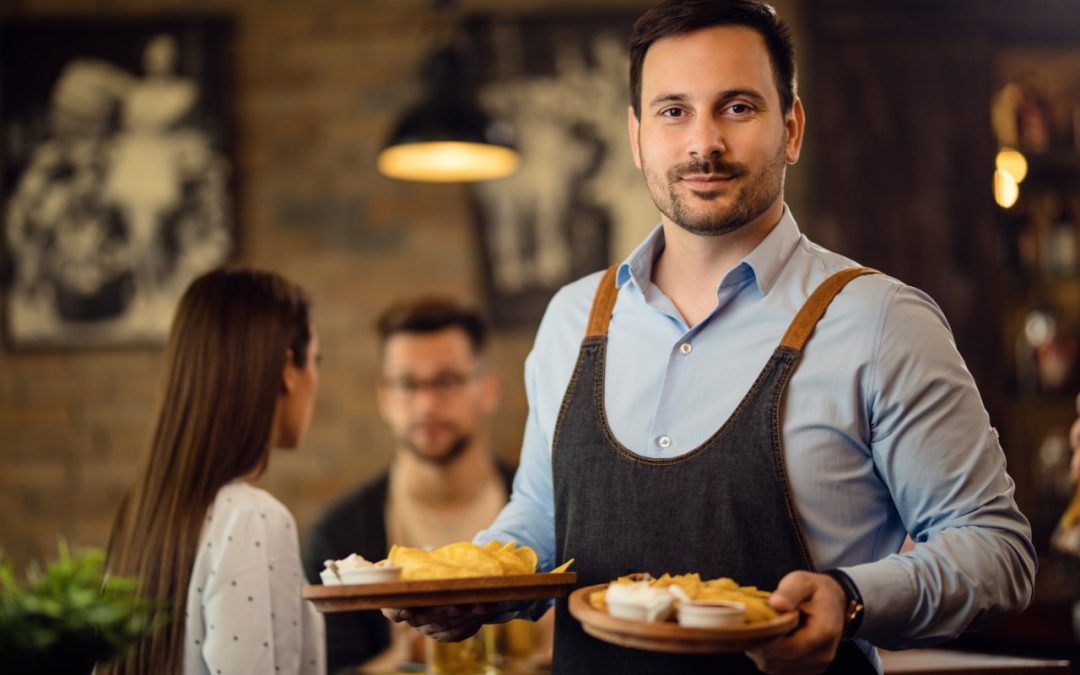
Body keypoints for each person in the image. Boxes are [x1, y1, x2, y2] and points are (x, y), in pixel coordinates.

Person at [386, 1, 1037, 674]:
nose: (704, 143)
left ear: (792, 127)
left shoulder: (881, 322)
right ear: (637, 137)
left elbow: (997, 550)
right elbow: (541, 518)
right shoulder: (572, 319)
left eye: (737, 107)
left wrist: (851, 598)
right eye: (673, 111)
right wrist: (473, 593)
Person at [303, 296, 547, 674]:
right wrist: (405, 659)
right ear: (384, 397)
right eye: (406, 384)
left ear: (488, 389)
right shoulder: (338, 537)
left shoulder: (545, 512)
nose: (427, 404)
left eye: (447, 381)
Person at [100, 268, 325, 675]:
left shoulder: (145, 514)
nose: (316, 379)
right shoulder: (253, 517)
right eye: (316, 360)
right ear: (288, 369)